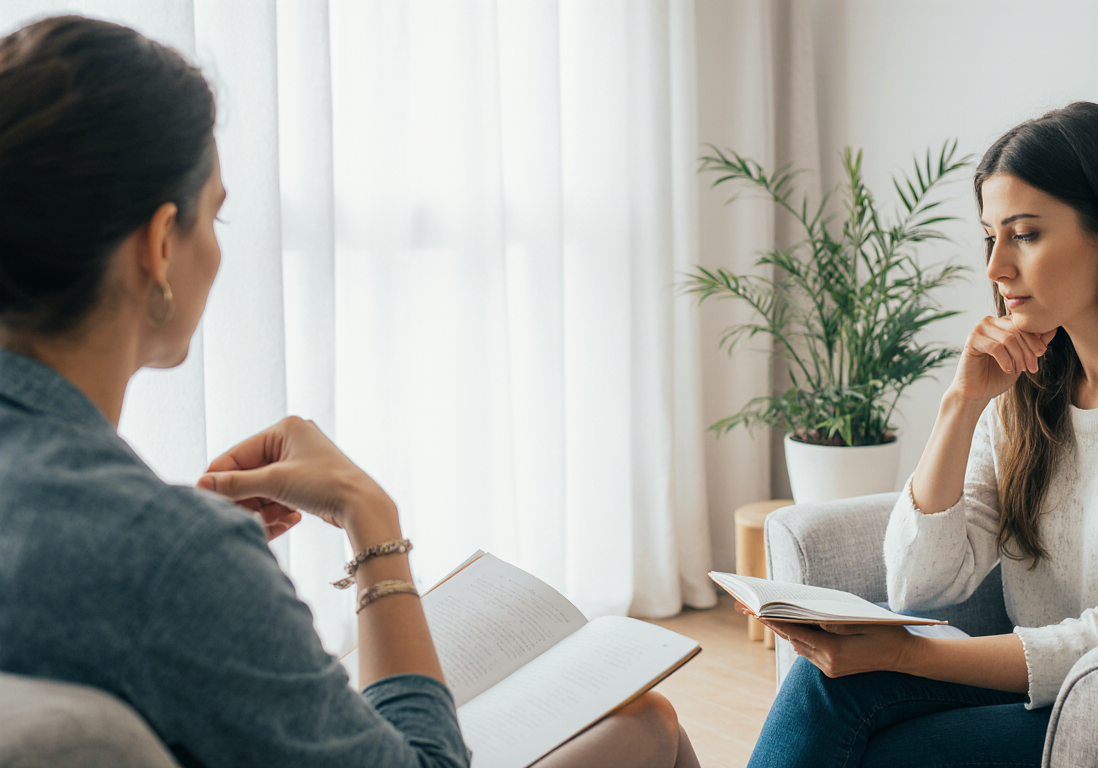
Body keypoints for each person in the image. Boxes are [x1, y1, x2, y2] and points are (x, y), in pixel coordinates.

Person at [0, 15, 698, 768]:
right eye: (216, 215)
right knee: (650, 726)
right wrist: (373, 524)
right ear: (160, 245)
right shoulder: (174, 561)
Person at [747, 101, 1098, 767]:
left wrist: (902, 651)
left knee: (886, 747)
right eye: (990, 237)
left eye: (1025, 234)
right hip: (1061, 689)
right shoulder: (1032, 386)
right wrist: (961, 404)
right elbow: (920, 585)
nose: (996, 269)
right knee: (826, 680)